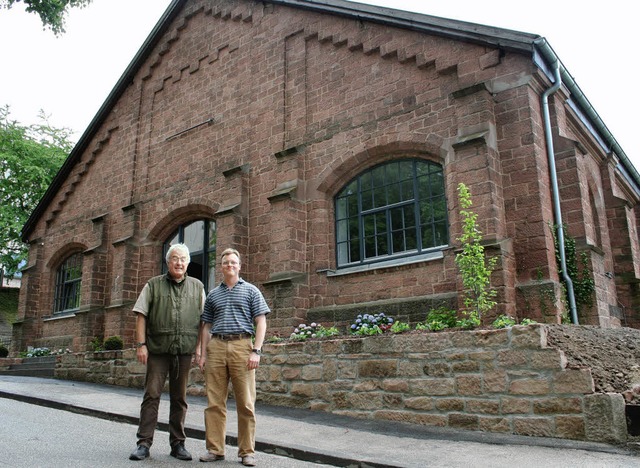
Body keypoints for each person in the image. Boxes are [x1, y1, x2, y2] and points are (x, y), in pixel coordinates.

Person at [129, 243, 205, 461]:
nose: (179, 262)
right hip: (158, 351)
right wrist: (141, 345)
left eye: (182, 259)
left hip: (184, 351)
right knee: (151, 395)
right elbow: (141, 314)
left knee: (179, 399)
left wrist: (199, 348)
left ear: (188, 263)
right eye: (174, 258)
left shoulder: (197, 286)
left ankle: (178, 445)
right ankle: (143, 444)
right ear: (168, 261)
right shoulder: (153, 285)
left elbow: (203, 321)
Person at [198, 248, 270, 467]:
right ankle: (215, 450)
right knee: (214, 403)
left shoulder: (251, 291)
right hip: (217, 346)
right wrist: (201, 353)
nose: (229, 265)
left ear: (240, 266)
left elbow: (261, 322)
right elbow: (206, 326)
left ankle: (247, 451)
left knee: (246, 403)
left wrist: (256, 350)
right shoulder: (213, 294)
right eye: (226, 262)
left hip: (242, 346)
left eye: (233, 262)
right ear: (221, 267)